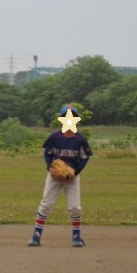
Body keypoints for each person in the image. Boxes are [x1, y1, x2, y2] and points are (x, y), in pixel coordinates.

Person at [28, 105, 93, 248]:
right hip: (54, 177)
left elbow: (84, 158)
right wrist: (50, 168)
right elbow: (47, 154)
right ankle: (36, 236)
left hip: (72, 178)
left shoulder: (80, 139)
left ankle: (76, 237)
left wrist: (75, 172)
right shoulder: (55, 137)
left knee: (75, 207)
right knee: (46, 204)